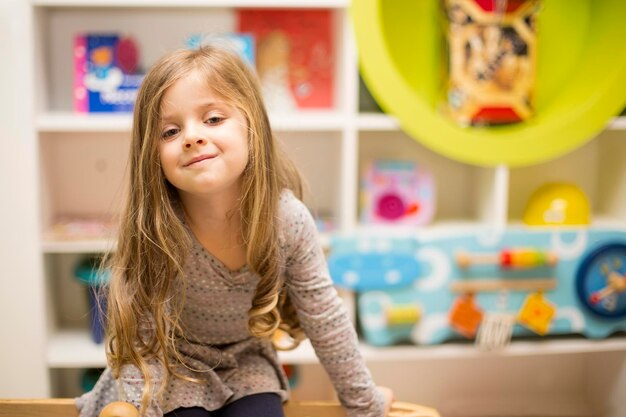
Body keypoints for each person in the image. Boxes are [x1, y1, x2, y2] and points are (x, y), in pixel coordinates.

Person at [76, 44, 392, 417]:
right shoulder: (155, 227)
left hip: (246, 364)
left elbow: (325, 318)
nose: (192, 137)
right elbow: (142, 338)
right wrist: (139, 408)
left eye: (212, 119)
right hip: (168, 364)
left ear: (251, 126)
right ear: (152, 154)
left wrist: (364, 402)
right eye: (171, 131)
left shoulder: (287, 220)